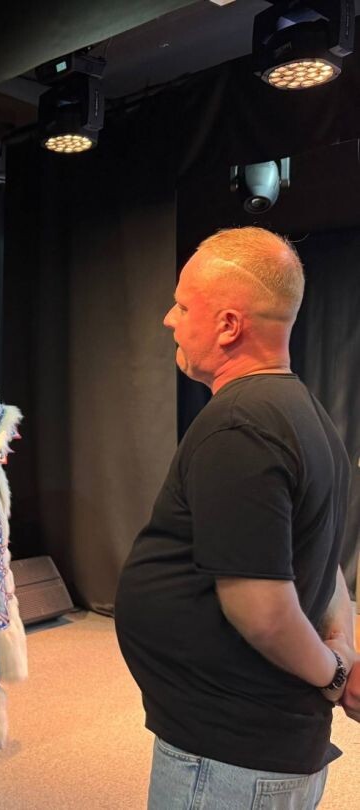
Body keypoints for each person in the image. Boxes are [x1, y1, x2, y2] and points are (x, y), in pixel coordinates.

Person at [115, 227, 355, 809]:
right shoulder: (304, 412)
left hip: (228, 757)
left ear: (228, 325)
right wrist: (342, 649)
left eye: (182, 306)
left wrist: (334, 673)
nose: (169, 320)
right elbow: (323, 556)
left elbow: (263, 613)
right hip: (250, 747)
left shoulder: (240, 426)